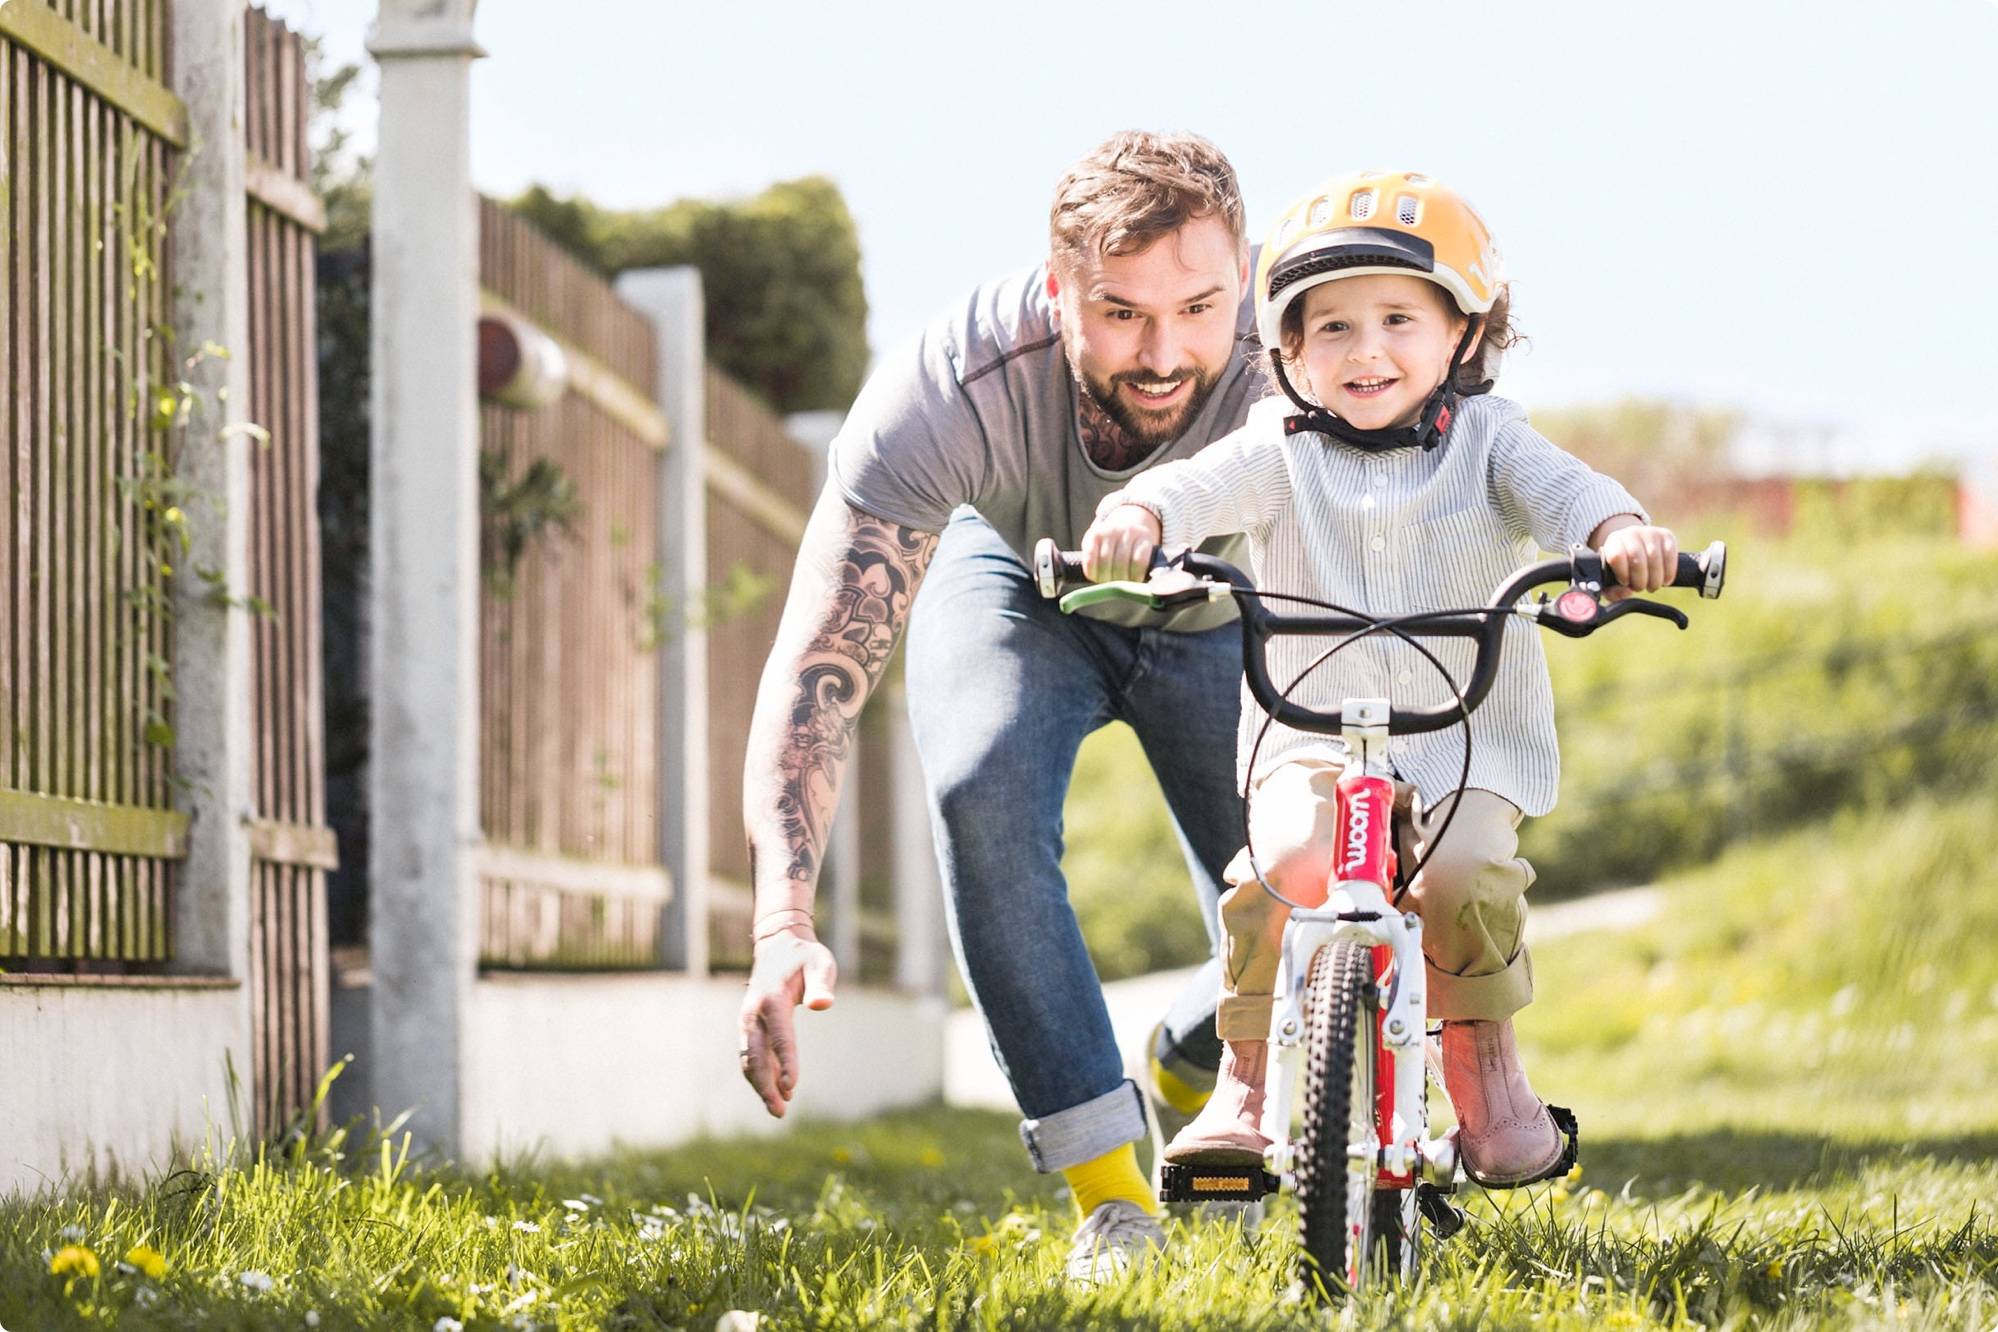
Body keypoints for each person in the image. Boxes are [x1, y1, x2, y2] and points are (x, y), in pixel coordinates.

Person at [737, 131, 1269, 1280]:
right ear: (1053, 288)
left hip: (1226, 613)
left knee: (1289, 880)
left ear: (1248, 279)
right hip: (1027, 582)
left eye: (1200, 308)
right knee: (979, 784)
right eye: (1120, 312)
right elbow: (819, 664)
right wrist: (783, 923)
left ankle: (1192, 1048)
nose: (1166, 354)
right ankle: (1115, 1201)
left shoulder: (1306, 350)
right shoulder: (948, 391)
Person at [1080, 170, 1680, 1186]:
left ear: (1462, 335)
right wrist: (1141, 520)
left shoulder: (1491, 443)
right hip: (1308, 732)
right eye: (1333, 329)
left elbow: (1568, 492)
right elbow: (1194, 485)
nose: (1367, 351)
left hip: (1463, 737)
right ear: (1290, 353)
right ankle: (1246, 1081)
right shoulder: (1278, 450)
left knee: (1463, 878)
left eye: (1399, 319)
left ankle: (1487, 1080)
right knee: (1283, 866)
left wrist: (1617, 534)